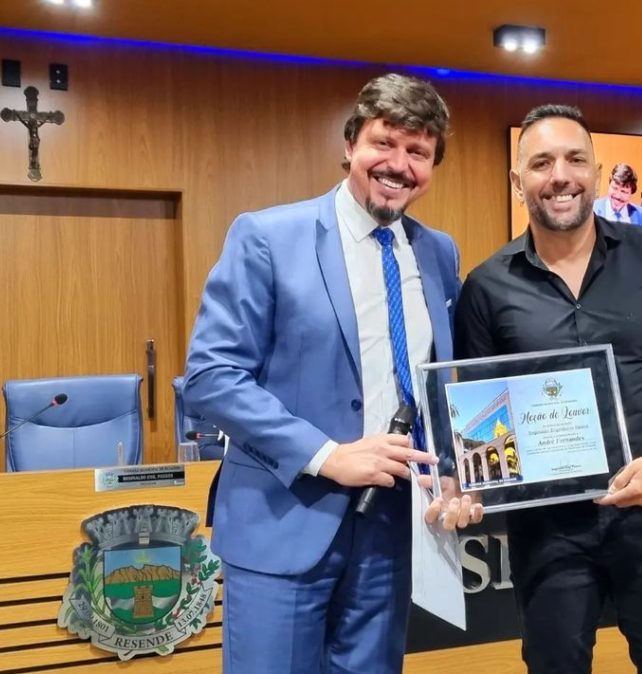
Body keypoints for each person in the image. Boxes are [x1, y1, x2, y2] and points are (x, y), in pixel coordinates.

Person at [183, 73, 480, 674]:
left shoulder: (438, 252)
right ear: (350, 145)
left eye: (418, 152)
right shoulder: (268, 236)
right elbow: (211, 376)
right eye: (383, 143)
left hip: (393, 526)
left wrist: (457, 469)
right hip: (283, 519)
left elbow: (439, 381)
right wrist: (328, 455)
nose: (398, 165)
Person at [455, 104, 642, 674]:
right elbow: (477, 417)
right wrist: (469, 478)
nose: (560, 175)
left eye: (575, 159)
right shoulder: (486, 286)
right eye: (541, 163)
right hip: (548, 530)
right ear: (518, 181)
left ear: (597, 172)